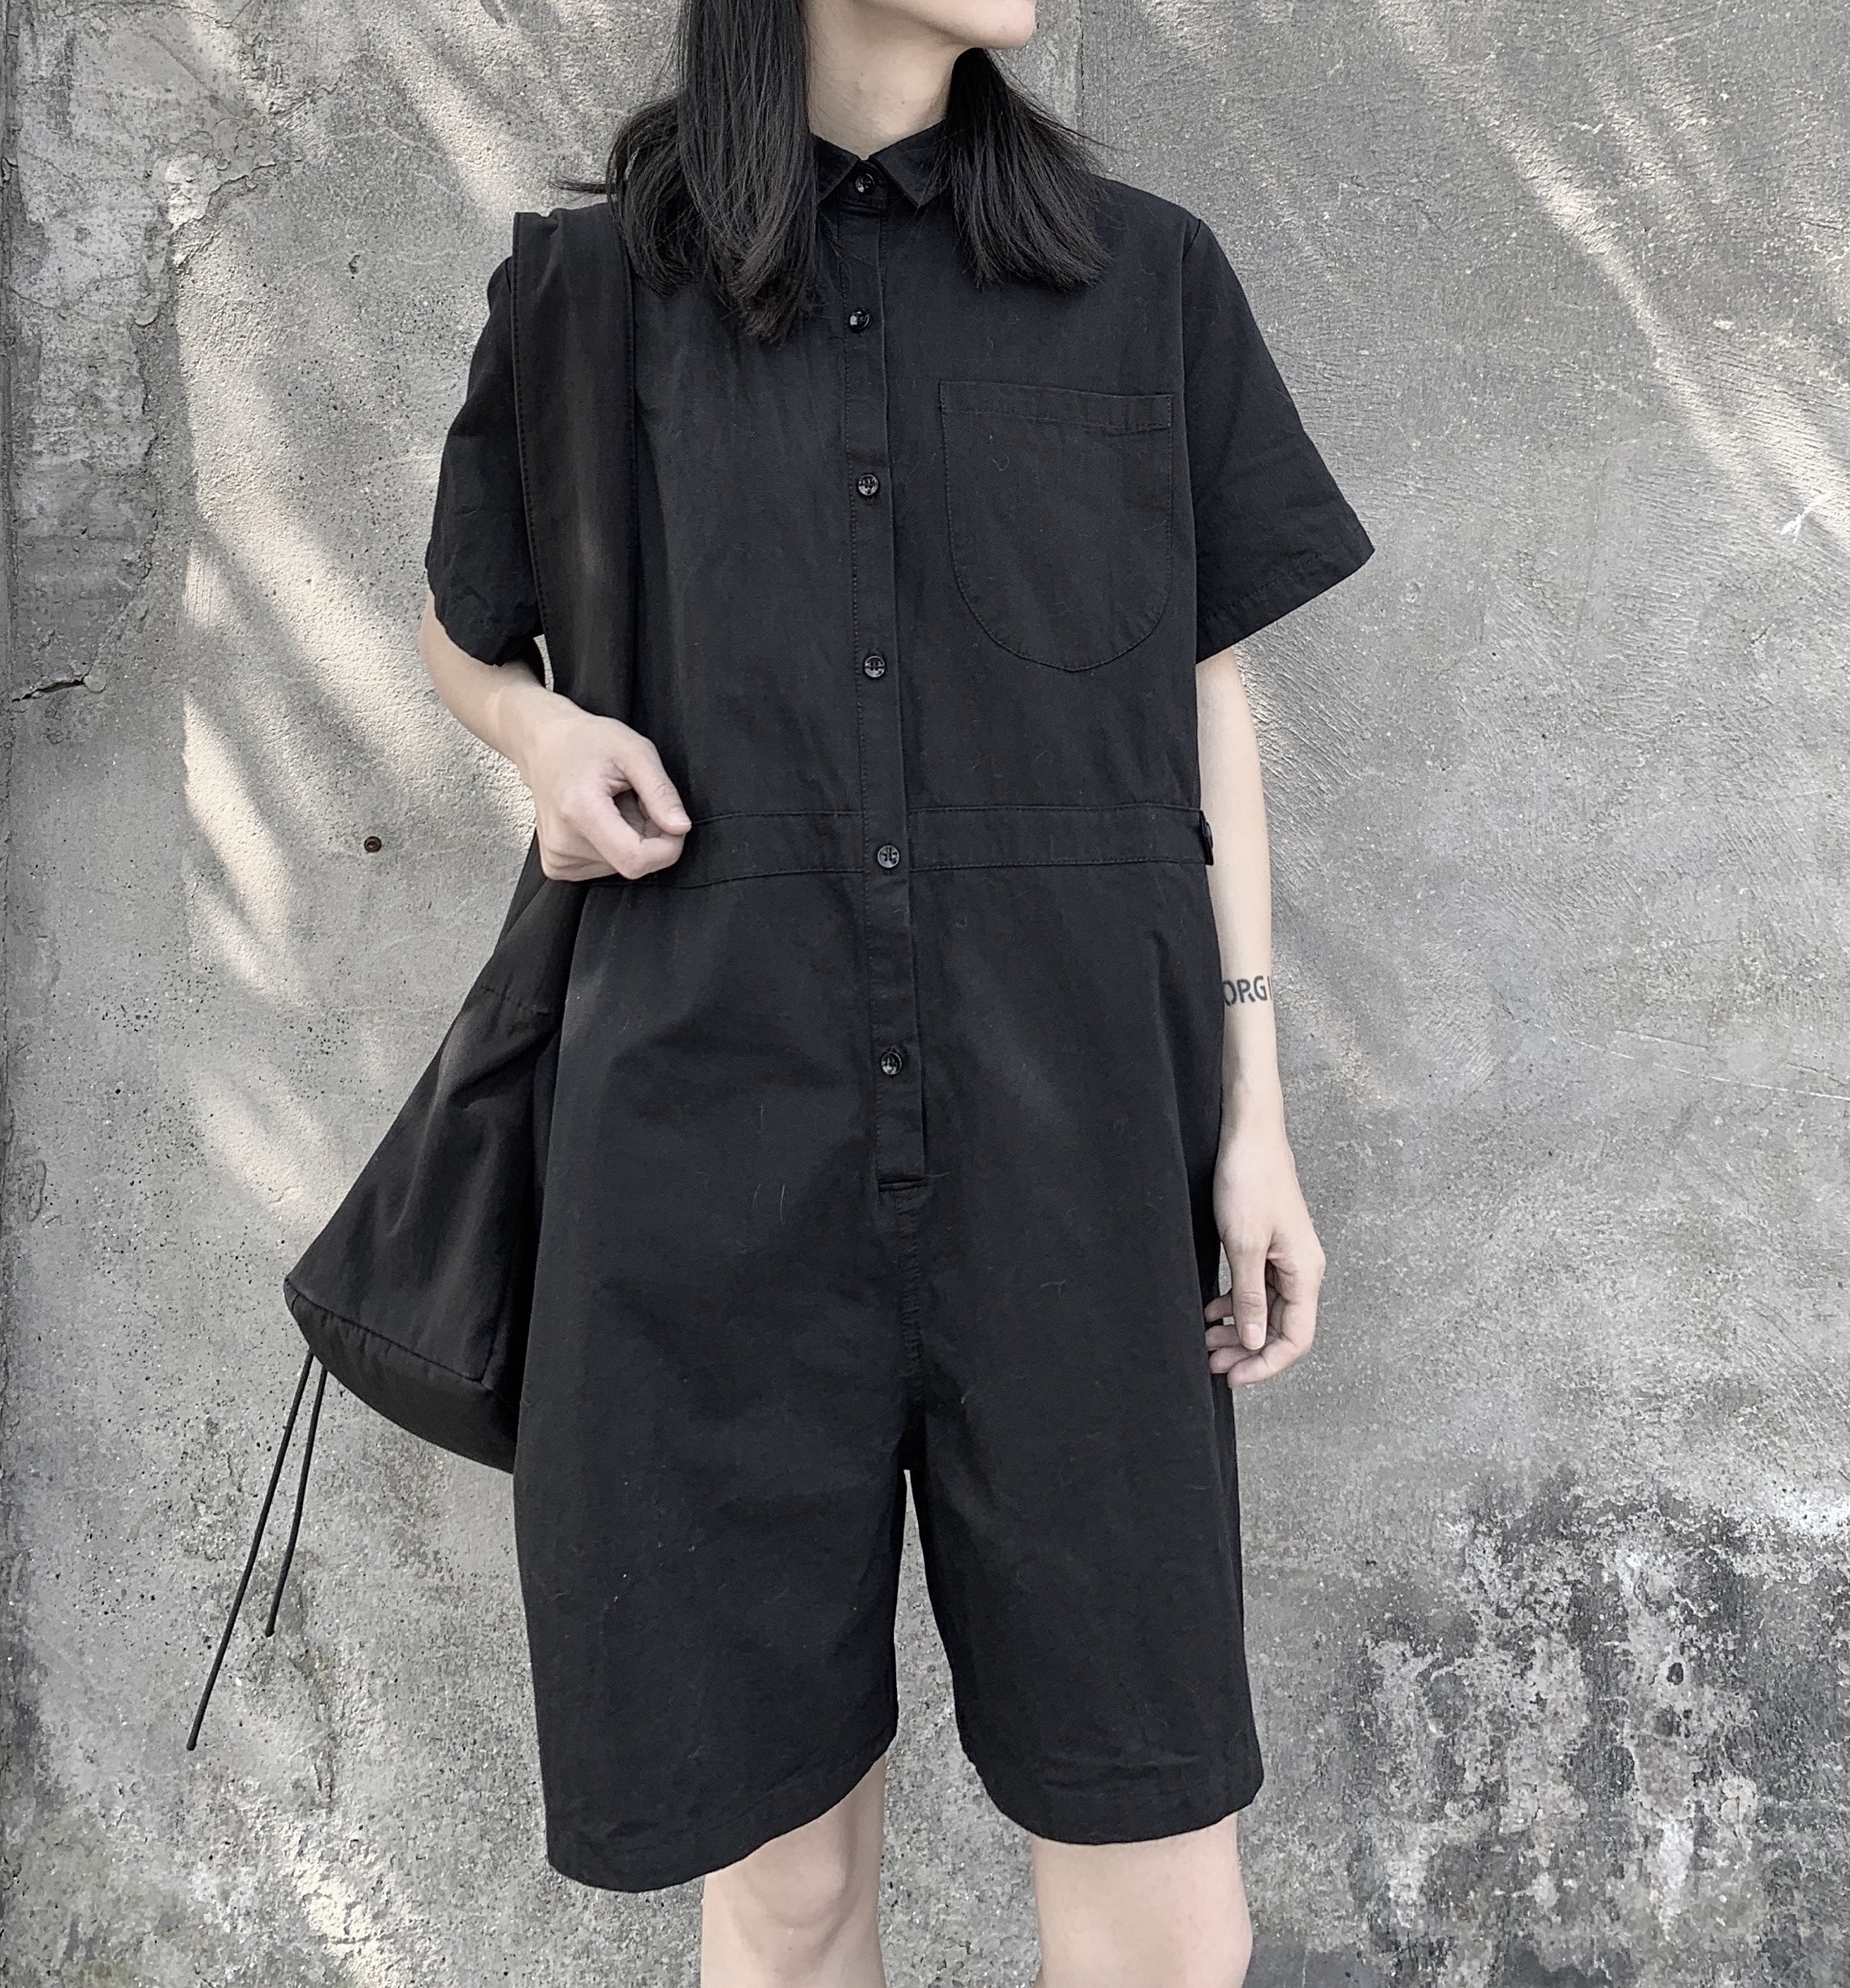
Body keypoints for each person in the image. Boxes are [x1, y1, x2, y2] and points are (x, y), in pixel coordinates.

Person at [417, 0, 1373, 1981]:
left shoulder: (1142, 277)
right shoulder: (588, 296)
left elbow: (1202, 707)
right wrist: (536, 737)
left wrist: (1254, 1116)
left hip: (1078, 1155)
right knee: (781, 1886)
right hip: (704, 1157)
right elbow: (463, 627)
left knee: (1154, 1855)